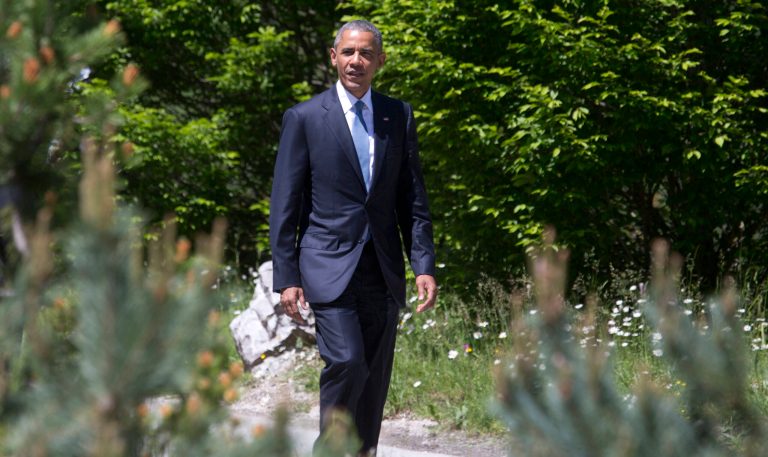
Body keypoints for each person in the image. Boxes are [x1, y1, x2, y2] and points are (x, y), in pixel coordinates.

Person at [269, 19, 437, 456]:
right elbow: (285, 204)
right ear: (333, 57)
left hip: (381, 267)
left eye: (365, 53)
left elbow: (411, 197)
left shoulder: (397, 115)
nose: (356, 61)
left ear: (380, 60)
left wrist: (423, 264)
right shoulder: (304, 119)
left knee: (375, 373)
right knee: (346, 361)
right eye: (348, 52)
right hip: (326, 264)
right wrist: (287, 275)